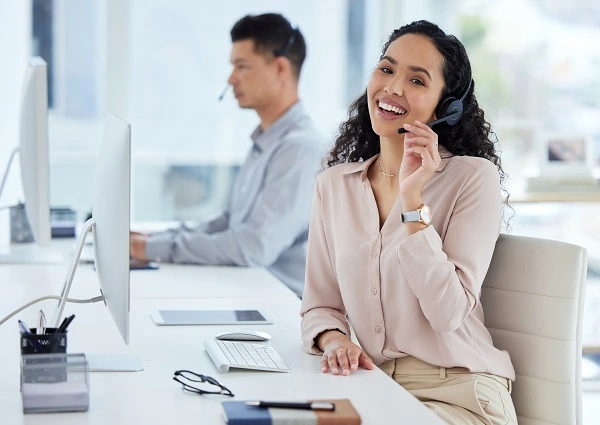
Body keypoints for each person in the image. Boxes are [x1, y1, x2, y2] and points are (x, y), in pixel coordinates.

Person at [300, 20, 517, 424]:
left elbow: (448, 314)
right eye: (386, 69)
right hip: (374, 390)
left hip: (461, 393)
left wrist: (412, 199)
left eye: (417, 80)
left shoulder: (472, 178)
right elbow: (320, 305)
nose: (393, 87)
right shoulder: (334, 186)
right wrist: (334, 340)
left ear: (445, 107)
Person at [131, 14, 324, 298]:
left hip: (279, 305)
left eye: (241, 66)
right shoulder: (267, 140)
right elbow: (230, 221)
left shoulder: (299, 149)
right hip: (248, 288)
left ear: (281, 68)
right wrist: (155, 239)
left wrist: (149, 249)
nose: (231, 78)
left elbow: (251, 247)